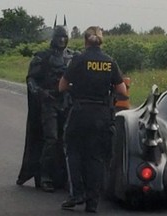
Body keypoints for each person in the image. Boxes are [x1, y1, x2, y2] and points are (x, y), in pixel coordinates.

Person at [59, 26, 127, 213]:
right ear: (101, 41)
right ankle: (92, 203)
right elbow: (122, 91)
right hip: (102, 115)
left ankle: (76, 194)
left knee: (73, 151)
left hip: (80, 113)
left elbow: (62, 86)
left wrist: (76, 86)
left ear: (85, 41)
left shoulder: (78, 59)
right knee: (96, 158)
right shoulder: (109, 62)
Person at [16, 17, 75, 192]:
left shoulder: (73, 56)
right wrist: (41, 93)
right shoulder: (42, 57)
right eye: (59, 36)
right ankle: (45, 176)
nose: (62, 40)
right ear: (53, 37)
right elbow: (31, 80)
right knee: (51, 139)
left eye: (65, 37)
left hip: (67, 103)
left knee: (66, 141)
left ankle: (63, 177)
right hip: (49, 103)